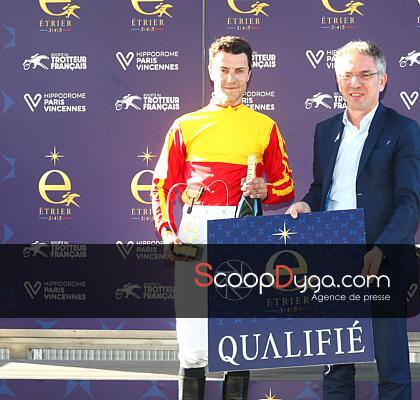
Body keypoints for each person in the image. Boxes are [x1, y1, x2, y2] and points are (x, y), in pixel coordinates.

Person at [151, 36, 294, 400]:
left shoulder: (265, 126)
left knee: (239, 339)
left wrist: (265, 190)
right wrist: (168, 232)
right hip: (195, 232)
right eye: (224, 70)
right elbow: (162, 185)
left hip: (243, 231)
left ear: (250, 74)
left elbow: (286, 186)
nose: (231, 79)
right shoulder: (185, 125)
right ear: (211, 71)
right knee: (193, 343)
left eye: (239, 71)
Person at [287, 40, 420, 400]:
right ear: (337, 81)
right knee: (335, 364)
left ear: (382, 80)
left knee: (391, 365)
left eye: (365, 75)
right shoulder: (324, 130)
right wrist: (305, 206)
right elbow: (321, 188)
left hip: (383, 259)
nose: (355, 83)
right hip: (332, 255)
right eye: (347, 76)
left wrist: (381, 250)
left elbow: (408, 203)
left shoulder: (403, 128)